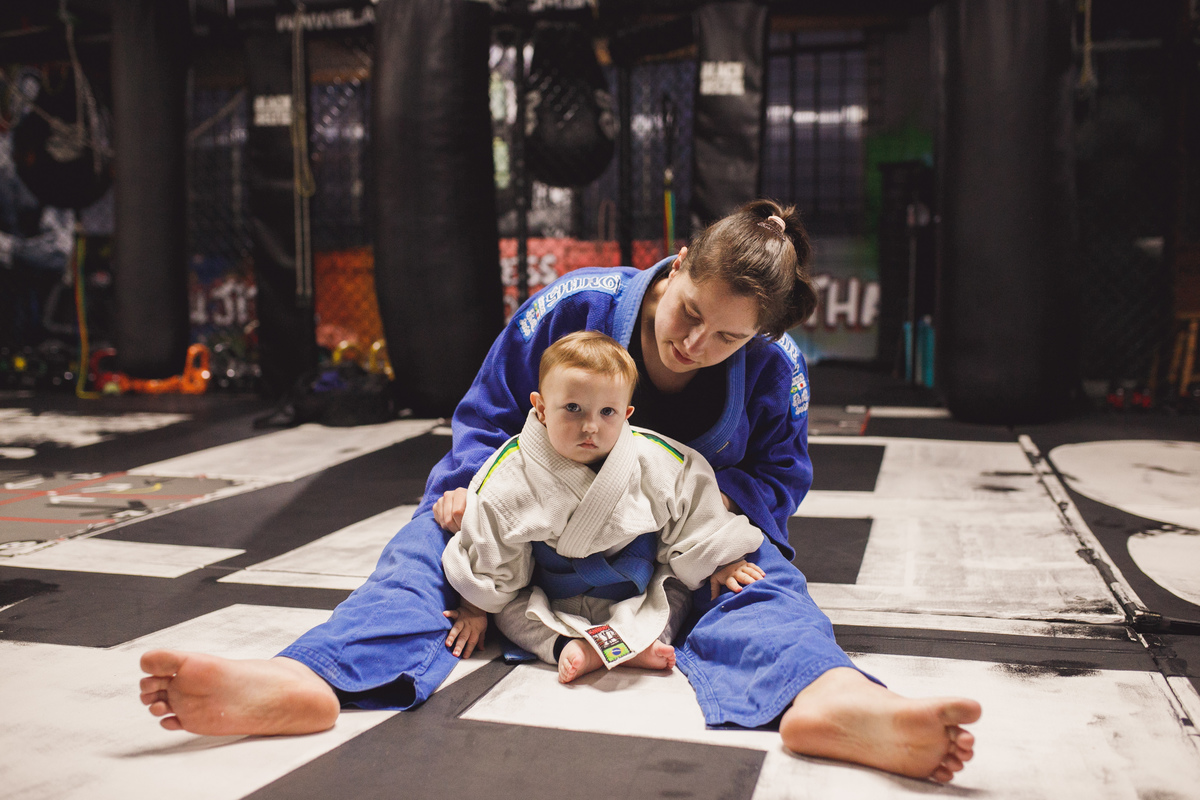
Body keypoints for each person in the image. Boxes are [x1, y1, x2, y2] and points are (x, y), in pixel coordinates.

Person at [139, 200, 980, 784]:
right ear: (678, 265)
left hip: (672, 541)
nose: (696, 343)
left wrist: (709, 528)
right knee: (422, 551)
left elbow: (778, 480)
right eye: (689, 313)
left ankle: (825, 697)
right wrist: (469, 492)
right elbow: (484, 416)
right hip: (530, 524)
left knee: (760, 580)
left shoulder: (774, 366)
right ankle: (314, 679)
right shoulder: (573, 307)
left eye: (728, 337)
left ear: (759, 334)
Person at [441, 331, 767, 684]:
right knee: (509, 613)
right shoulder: (508, 473)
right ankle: (569, 645)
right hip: (551, 601)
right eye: (573, 408)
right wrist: (475, 609)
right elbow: (490, 548)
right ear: (540, 408)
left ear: (626, 413)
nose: (590, 426)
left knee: (676, 590)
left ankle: (627, 643)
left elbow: (695, 514)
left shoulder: (659, 460)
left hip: (636, 593)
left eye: (607, 411)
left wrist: (722, 559)